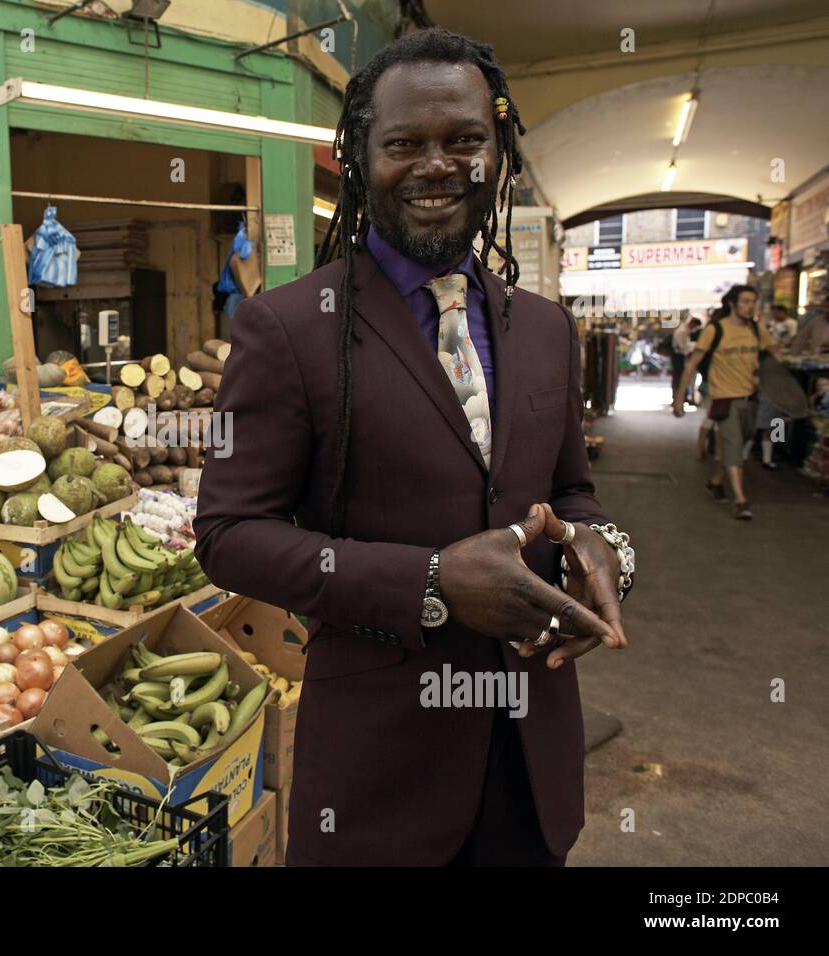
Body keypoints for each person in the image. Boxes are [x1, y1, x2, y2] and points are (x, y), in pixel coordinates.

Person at [194, 28, 629, 868]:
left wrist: (603, 550)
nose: (438, 166)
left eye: (464, 140)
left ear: (497, 154)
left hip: (532, 766)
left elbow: (574, 494)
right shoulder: (287, 328)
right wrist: (429, 583)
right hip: (377, 782)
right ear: (361, 159)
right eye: (405, 144)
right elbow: (228, 533)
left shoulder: (543, 330)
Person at [673, 284, 772, 519]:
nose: (750, 306)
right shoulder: (716, 330)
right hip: (724, 399)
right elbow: (692, 364)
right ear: (733, 304)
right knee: (734, 445)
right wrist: (679, 398)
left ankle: (717, 480)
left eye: (753, 302)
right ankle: (740, 500)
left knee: (739, 446)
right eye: (746, 301)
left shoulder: (757, 330)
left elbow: (772, 358)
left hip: (751, 399)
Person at [671, 316, 701, 404]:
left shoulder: (684, 330)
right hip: (678, 357)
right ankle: (677, 398)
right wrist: (695, 346)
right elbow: (683, 347)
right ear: (692, 324)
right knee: (679, 378)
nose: (695, 329)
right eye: (695, 327)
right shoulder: (682, 331)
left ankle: (681, 397)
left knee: (680, 378)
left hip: (681, 356)